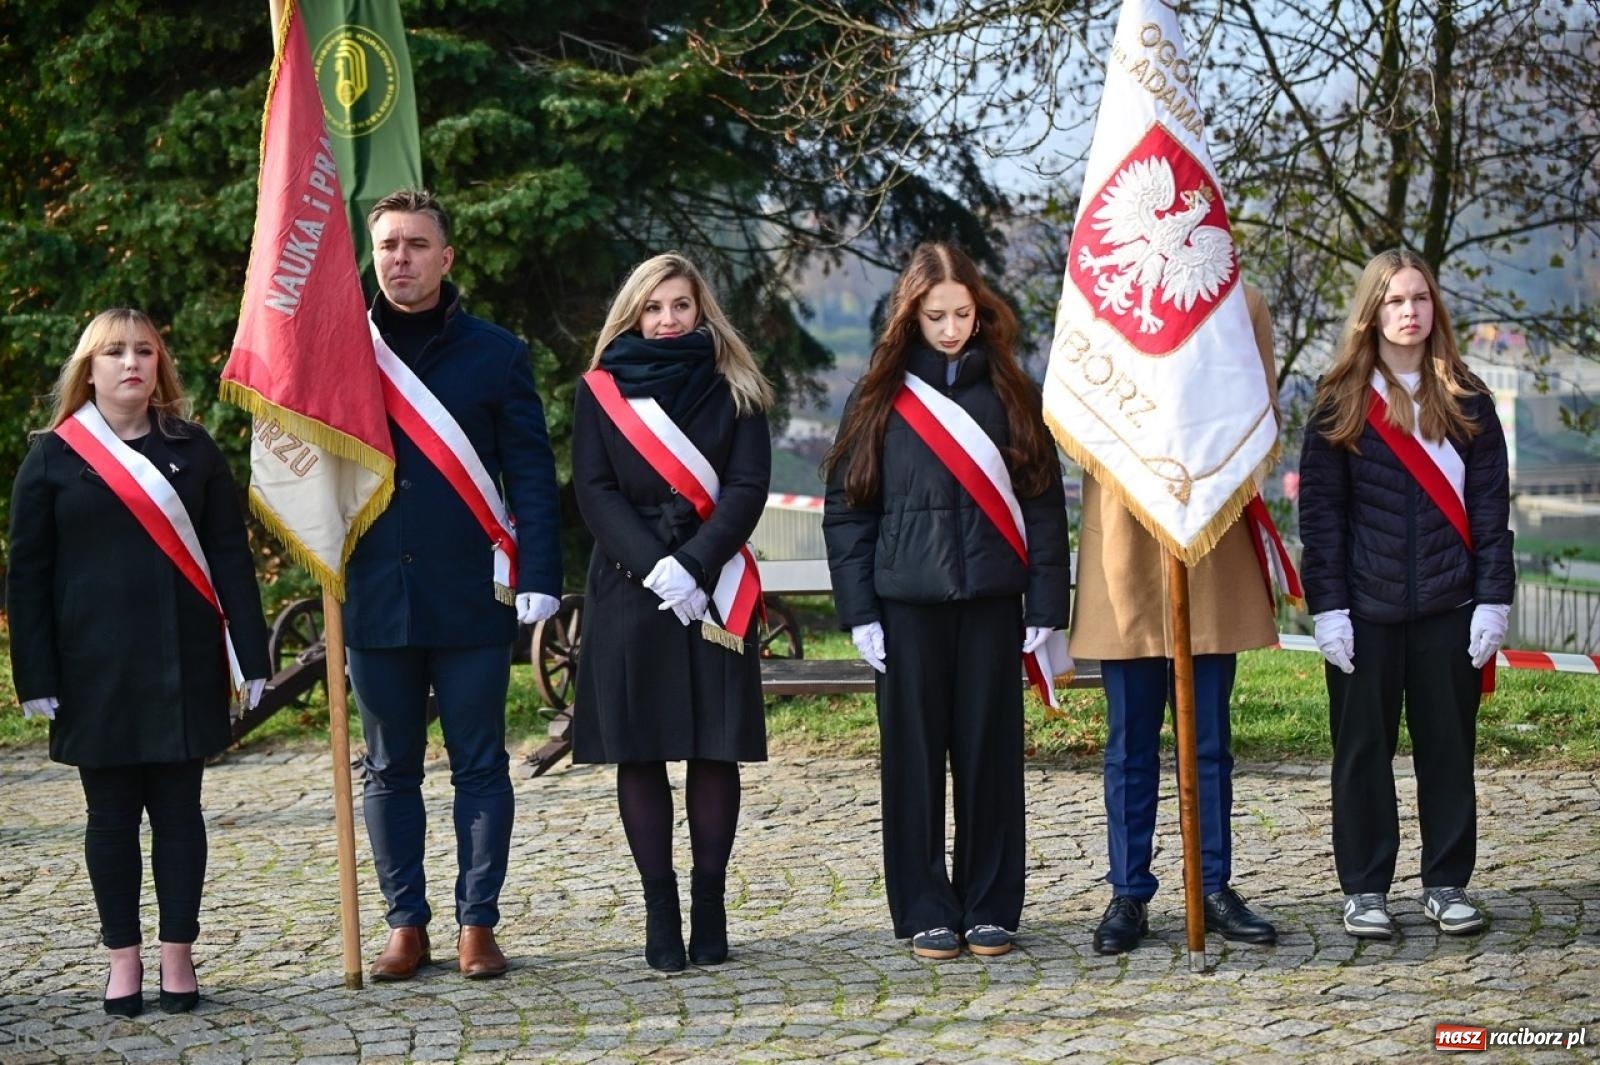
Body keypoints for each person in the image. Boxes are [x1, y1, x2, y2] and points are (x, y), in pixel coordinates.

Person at [7, 309, 271, 1016]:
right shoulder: (52, 456)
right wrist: (34, 675)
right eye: (115, 352)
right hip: (93, 672)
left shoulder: (195, 448)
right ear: (88, 369)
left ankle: (176, 956)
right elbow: (26, 576)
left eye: (144, 350)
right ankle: (122, 959)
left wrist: (250, 652)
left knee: (181, 812)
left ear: (161, 365)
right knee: (111, 816)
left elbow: (231, 559)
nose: (131, 363)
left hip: (183, 663)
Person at [822, 242, 1070, 960]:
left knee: (992, 760)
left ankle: (991, 902)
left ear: (980, 310)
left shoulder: (1014, 391)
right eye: (937, 316)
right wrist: (860, 611)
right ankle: (926, 905)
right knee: (914, 762)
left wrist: (1046, 606)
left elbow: (1044, 507)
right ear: (912, 315)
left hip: (994, 603)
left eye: (964, 313)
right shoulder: (878, 396)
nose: (953, 328)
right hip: (907, 608)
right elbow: (847, 509)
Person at [344, 189, 563, 980]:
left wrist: (539, 572)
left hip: (472, 590)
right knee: (389, 768)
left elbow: (532, 472)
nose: (399, 258)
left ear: (447, 257)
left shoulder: (496, 352)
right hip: (371, 590)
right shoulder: (341, 351)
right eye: (388, 244)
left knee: (479, 763)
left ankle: (478, 921)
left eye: (415, 244)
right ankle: (407, 923)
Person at [1298, 249, 1512, 940]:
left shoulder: (1468, 399)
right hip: (1364, 612)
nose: (1409, 311)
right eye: (1395, 300)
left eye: (1420, 298)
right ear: (1373, 311)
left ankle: (1446, 882)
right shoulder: (1339, 401)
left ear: (1434, 308)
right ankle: (1365, 888)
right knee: (1362, 754)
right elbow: (1321, 518)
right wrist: (1326, 607)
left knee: (1448, 750)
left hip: (1449, 608)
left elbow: (1489, 511)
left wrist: (1492, 599)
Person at [570, 252, 772, 972]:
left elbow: (749, 486)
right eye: (653, 307)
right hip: (631, 587)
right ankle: (661, 911)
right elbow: (594, 491)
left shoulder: (736, 386)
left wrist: (694, 564)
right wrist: (655, 566)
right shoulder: (599, 392)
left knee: (715, 745)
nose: (666, 319)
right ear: (633, 313)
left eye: (680, 306)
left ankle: (709, 901)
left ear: (700, 310)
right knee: (642, 746)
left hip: (712, 580)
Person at [1070, 284, 1283, 955]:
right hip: (1127, 542)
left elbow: (1260, 408)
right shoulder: (1098, 289)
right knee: (1129, 742)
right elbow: (1073, 408)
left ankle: (1213, 884)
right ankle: (1128, 891)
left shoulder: (1235, 298)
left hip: (1207, 536)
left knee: (1210, 738)